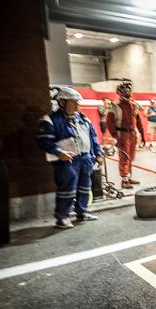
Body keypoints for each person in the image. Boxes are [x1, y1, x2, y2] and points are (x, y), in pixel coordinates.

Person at [38, 87, 104, 229]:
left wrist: (98, 153)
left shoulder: (83, 118)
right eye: (74, 102)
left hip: (85, 158)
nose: (77, 105)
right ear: (62, 103)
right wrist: (58, 152)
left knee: (85, 187)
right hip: (67, 160)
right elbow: (44, 141)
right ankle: (62, 217)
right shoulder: (50, 120)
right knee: (67, 188)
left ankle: (82, 212)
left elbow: (93, 137)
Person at [105, 82, 145, 189]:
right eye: (124, 90)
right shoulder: (115, 106)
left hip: (132, 133)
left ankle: (128, 176)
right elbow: (109, 123)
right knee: (124, 157)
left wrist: (142, 134)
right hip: (121, 133)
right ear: (119, 92)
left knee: (131, 156)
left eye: (128, 90)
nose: (127, 92)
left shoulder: (134, 105)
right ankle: (124, 180)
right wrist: (115, 137)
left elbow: (138, 121)